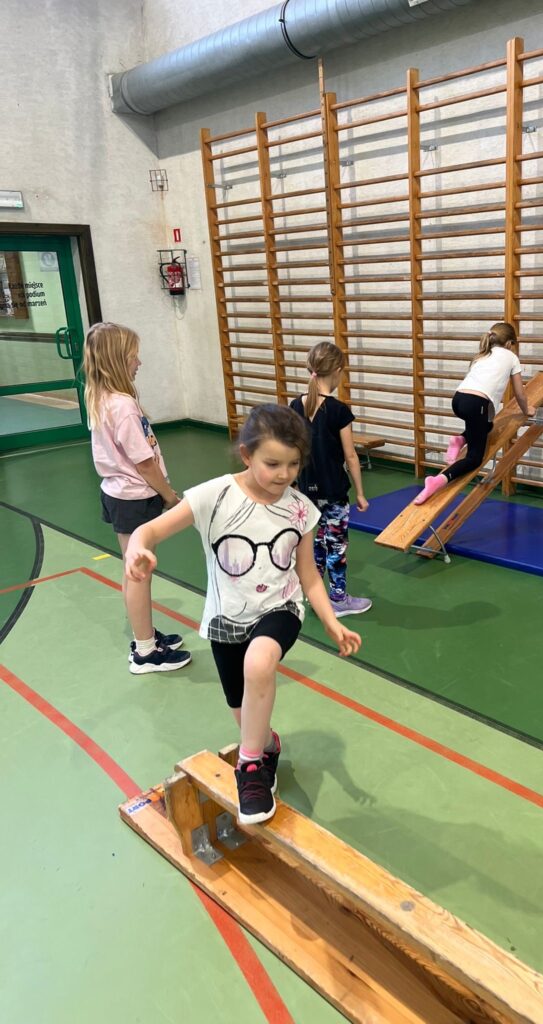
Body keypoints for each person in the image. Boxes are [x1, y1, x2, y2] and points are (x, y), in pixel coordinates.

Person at [123, 404, 362, 825]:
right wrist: (138, 548)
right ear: (247, 454)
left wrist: (330, 620)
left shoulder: (301, 509)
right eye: (273, 463)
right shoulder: (213, 496)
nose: (284, 474)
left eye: (293, 464)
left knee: (259, 662)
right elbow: (151, 529)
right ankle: (266, 747)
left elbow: (308, 575)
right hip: (226, 618)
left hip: (281, 608)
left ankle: (249, 768)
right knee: (245, 713)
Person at [83, 322, 191, 673]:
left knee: (134, 571)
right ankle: (146, 652)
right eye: (133, 356)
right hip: (134, 498)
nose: (139, 363)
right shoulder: (122, 405)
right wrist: (170, 496)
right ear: (118, 361)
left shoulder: (100, 397)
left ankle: (145, 635)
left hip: (119, 494)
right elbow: (144, 463)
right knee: (139, 573)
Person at [289, 342, 372, 617]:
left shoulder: (296, 405)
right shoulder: (338, 410)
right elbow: (351, 456)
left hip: (305, 492)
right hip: (334, 493)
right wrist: (360, 493)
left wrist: (292, 485)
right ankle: (337, 599)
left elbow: (292, 449)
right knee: (335, 545)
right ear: (337, 371)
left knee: (315, 543)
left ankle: (312, 594)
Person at [414, 322, 533, 504]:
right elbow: (520, 393)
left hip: (458, 400)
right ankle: (437, 481)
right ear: (510, 344)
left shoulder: (483, 354)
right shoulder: (511, 357)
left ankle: (460, 440)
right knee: (474, 459)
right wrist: (527, 410)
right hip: (476, 404)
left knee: (487, 425)